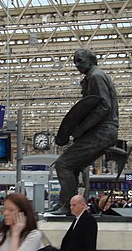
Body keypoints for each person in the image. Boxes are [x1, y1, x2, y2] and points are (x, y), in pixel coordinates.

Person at [53, 49, 124, 215]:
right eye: (75, 62)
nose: (77, 65)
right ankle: (65, 203)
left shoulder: (96, 76)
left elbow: (103, 106)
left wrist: (82, 128)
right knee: (73, 165)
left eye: (79, 61)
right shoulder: (95, 76)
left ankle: (68, 206)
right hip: (103, 132)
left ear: (91, 60)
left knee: (63, 164)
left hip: (102, 132)